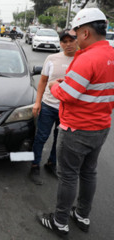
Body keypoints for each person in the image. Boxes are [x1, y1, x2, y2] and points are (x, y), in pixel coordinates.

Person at [38, 8, 114, 239]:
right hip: (101, 126)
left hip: (77, 128)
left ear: (86, 33)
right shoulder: (110, 54)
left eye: (77, 32)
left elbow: (67, 94)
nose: (76, 37)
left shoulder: (88, 58)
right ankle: (82, 215)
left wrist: (55, 86)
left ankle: (60, 221)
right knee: (89, 172)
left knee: (69, 175)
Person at [29, 29, 78, 185]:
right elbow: (43, 81)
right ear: (60, 43)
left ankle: (52, 163)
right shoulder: (52, 58)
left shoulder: (82, 59)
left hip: (69, 109)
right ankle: (34, 165)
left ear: (77, 41)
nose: (68, 44)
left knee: (60, 141)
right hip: (49, 106)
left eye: (71, 40)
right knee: (41, 137)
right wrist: (37, 103)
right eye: (64, 41)